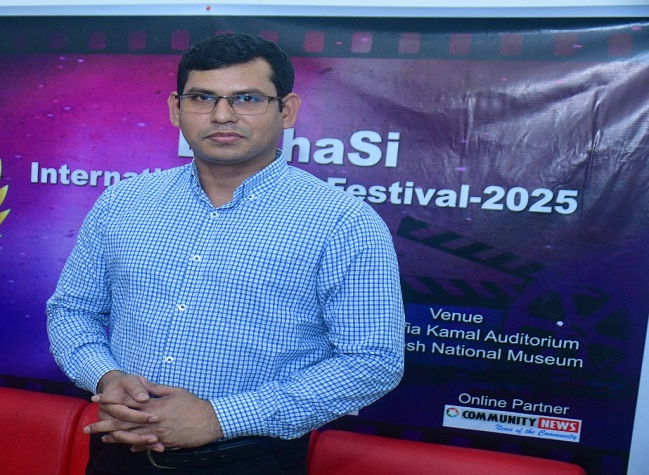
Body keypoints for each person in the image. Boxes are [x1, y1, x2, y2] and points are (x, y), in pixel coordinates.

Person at [46, 32, 404, 474]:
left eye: (247, 98)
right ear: (176, 108)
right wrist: (106, 376)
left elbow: (372, 361)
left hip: (248, 460)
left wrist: (218, 418)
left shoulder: (342, 222)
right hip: (118, 453)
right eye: (202, 98)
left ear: (287, 110)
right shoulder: (123, 202)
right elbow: (71, 310)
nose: (221, 115)